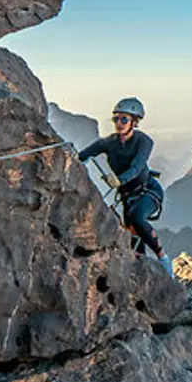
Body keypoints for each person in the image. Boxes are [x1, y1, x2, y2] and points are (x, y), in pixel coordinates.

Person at [77, 97, 172, 276]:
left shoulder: (144, 141)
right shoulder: (108, 142)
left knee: (137, 219)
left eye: (124, 119)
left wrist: (120, 180)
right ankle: (143, 271)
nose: (119, 123)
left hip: (148, 191)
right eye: (116, 119)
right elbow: (85, 154)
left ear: (134, 122)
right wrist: (72, 153)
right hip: (128, 196)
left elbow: (137, 166)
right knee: (132, 236)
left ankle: (163, 258)